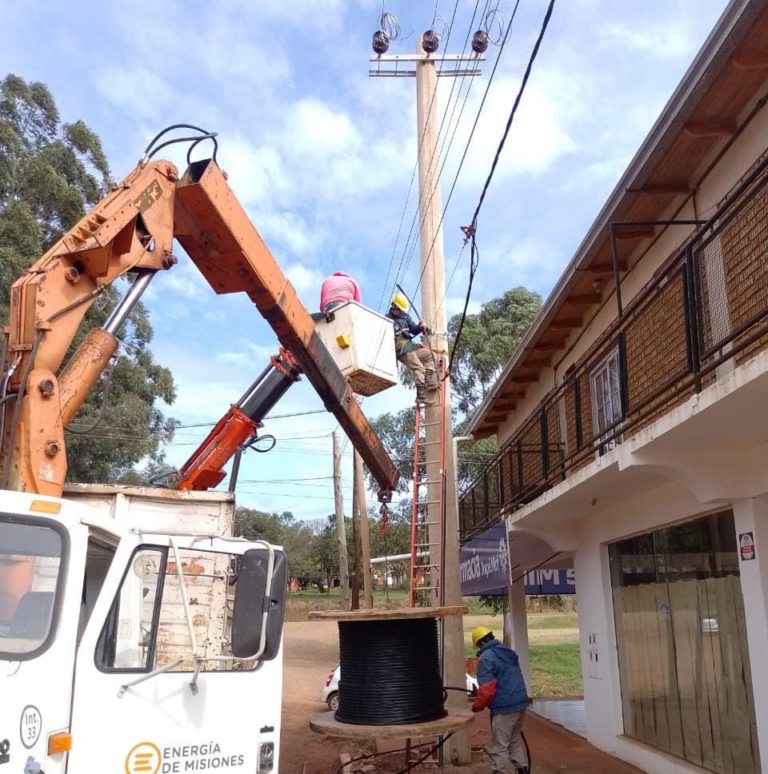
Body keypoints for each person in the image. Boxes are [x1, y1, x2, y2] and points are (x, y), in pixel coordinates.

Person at [471, 626, 529, 774]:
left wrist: (477, 706)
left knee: (499, 746)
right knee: (514, 740)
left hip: (504, 708)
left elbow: (487, 690)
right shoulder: (508, 651)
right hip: (521, 703)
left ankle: (499, 771)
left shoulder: (486, 659)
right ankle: (523, 769)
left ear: (481, 643)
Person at [386, 293, 437, 405]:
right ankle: (421, 396)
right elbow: (390, 341)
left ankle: (427, 381)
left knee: (430, 355)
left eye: (401, 310)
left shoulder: (405, 316)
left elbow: (414, 330)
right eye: (399, 309)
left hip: (409, 346)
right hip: (400, 348)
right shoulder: (387, 320)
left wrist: (420, 327)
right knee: (419, 368)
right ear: (394, 306)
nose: (401, 312)